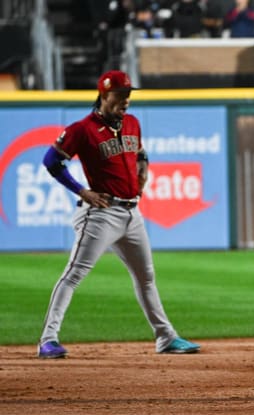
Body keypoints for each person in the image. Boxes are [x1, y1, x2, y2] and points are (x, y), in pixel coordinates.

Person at [37, 70, 200, 359]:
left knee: (146, 277)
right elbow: (51, 161)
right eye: (120, 95)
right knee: (74, 274)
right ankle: (48, 340)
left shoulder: (132, 123)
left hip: (131, 213)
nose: (126, 101)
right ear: (104, 95)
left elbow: (139, 150)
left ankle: (166, 337)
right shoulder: (83, 129)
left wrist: (144, 170)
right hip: (101, 213)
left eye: (128, 95)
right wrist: (81, 190)